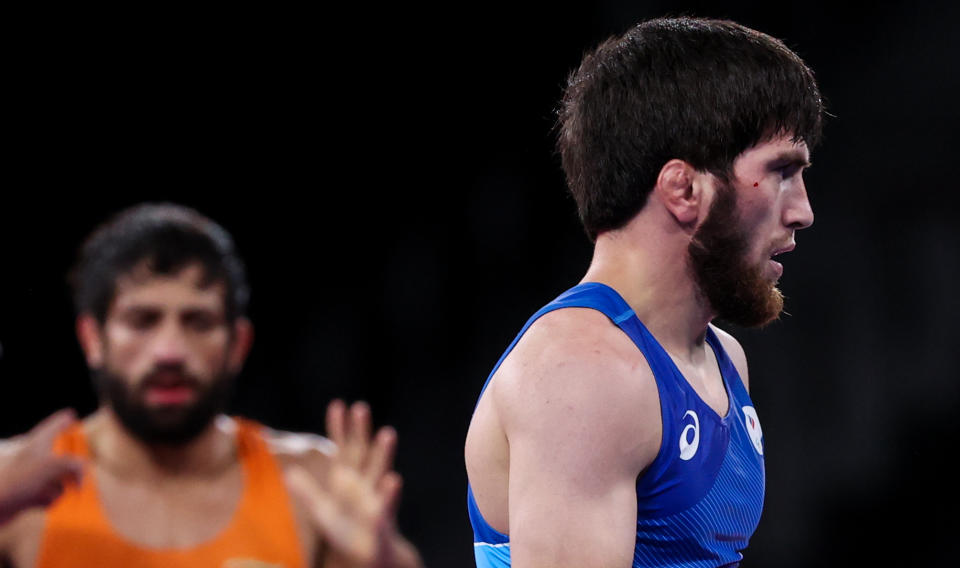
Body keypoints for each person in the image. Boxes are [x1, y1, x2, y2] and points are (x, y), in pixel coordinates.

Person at [464, 17, 824, 568]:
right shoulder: (583, 374)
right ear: (683, 188)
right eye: (780, 172)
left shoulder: (723, 359)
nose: (803, 211)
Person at [0, 203, 423, 568]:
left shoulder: (314, 484)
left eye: (198, 322)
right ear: (92, 339)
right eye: (142, 321)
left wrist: (381, 560)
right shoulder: (14, 485)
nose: (170, 351)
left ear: (238, 344)